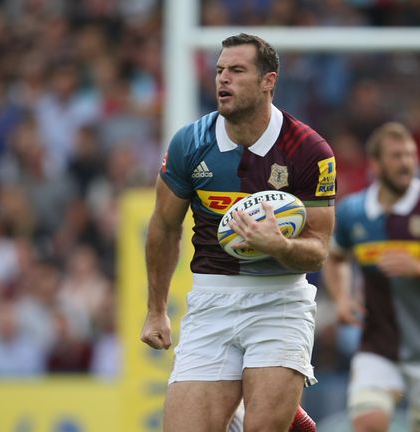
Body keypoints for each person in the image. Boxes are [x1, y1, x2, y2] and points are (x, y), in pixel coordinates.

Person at [139, 33, 335, 432]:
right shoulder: (189, 143)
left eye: (237, 70)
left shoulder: (309, 150)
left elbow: (318, 250)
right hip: (212, 298)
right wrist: (156, 310)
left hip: (280, 299)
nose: (222, 79)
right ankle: (244, 411)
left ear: (269, 81)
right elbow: (163, 225)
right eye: (219, 70)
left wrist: (278, 245)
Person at [322, 122, 420, 432]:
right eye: (396, 156)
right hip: (378, 344)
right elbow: (336, 258)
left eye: (410, 155)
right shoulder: (353, 212)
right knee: (369, 422)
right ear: (375, 164)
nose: (406, 162)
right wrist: (341, 298)